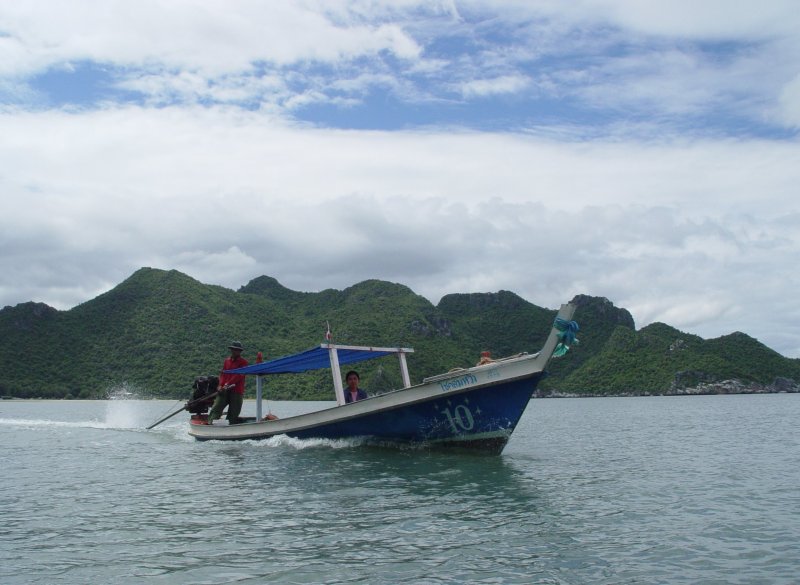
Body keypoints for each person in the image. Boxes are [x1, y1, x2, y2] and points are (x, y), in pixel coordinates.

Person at [207, 341, 249, 424]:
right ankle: (210, 423)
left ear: (240, 351)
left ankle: (231, 426)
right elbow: (223, 374)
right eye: (233, 349)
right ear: (231, 350)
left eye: (237, 350)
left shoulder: (243, 362)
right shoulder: (227, 361)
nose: (235, 351)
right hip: (223, 390)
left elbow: (239, 375)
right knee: (217, 407)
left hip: (236, 391)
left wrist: (227, 384)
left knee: (234, 411)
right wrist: (220, 385)